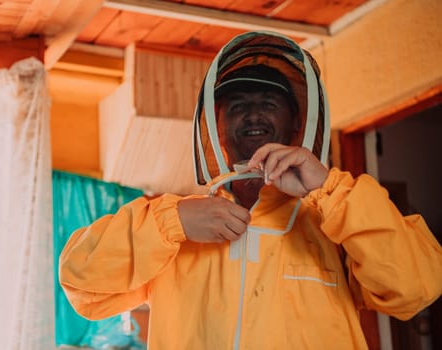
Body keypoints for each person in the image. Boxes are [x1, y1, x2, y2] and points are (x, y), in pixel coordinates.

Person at [59, 31, 442, 349]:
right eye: (238, 105)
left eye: (269, 103)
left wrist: (328, 188)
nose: (253, 113)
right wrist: (168, 224)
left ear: (295, 125)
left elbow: (415, 287)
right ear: (217, 130)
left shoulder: (335, 214)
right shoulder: (175, 224)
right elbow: (81, 282)